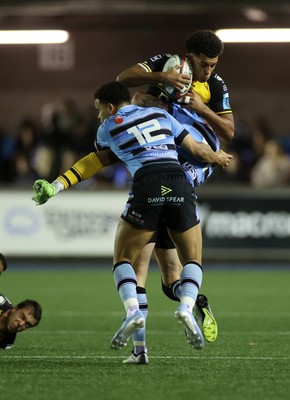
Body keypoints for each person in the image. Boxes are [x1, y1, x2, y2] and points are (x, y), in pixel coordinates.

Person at [32, 81, 232, 357]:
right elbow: (198, 150)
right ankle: (187, 306)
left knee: (125, 263)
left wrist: (57, 185)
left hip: (147, 186)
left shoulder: (107, 127)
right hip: (178, 183)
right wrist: (218, 158)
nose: (98, 115)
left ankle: (134, 319)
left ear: (110, 106)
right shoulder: (163, 116)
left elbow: (96, 160)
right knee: (191, 262)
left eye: (99, 109)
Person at [115, 29, 235, 362]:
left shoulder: (214, 86)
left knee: (133, 262)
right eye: (203, 64)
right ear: (189, 56)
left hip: (187, 167)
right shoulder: (166, 66)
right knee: (170, 278)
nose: (208, 70)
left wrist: (201, 107)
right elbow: (124, 78)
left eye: (213, 65)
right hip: (163, 166)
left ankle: (140, 345)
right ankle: (192, 303)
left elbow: (228, 132)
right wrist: (159, 77)